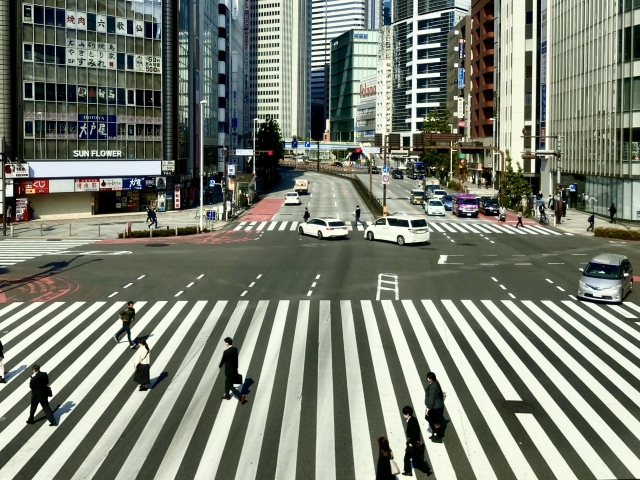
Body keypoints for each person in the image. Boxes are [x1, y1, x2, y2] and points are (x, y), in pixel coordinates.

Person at [219, 337, 246, 404]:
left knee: (230, 385)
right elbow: (236, 359)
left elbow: (223, 360)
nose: (225, 344)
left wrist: (220, 366)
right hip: (234, 369)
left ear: (227, 343)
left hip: (229, 371)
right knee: (227, 382)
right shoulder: (235, 349)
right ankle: (227, 395)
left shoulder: (226, 352)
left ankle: (240, 396)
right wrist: (236, 368)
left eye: (226, 342)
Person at [402, 405, 423, 476]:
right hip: (415, 441)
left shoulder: (410, 422)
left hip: (412, 442)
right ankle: (424, 467)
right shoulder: (413, 419)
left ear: (407, 414)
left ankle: (408, 471)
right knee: (415, 456)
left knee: (407, 457)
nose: (404, 415)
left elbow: (415, 432)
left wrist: (411, 442)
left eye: (404, 414)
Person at [425, 372, 445, 442]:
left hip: (435, 408)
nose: (427, 378)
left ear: (431, 379)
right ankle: (436, 434)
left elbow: (431, 399)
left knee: (435, 422)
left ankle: (438, 436)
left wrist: (428, 408)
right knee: (434, 421)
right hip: (438, 406)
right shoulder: (435, 384)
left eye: (428, 377)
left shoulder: (432, 386)